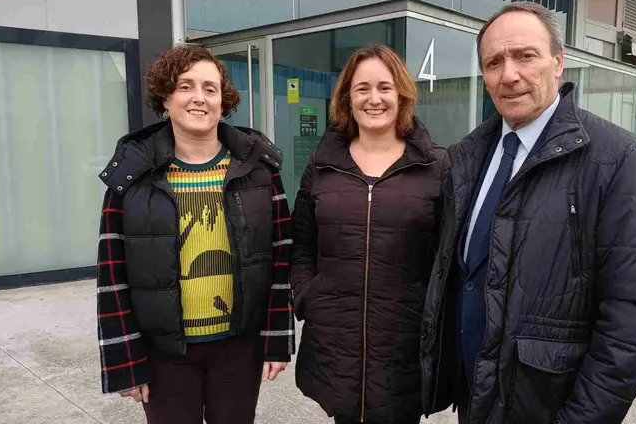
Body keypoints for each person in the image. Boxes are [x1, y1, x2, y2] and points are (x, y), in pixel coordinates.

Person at [420, 2, 636, 424]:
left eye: (525, 55)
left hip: (546, 406)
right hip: (474, 396)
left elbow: (631, 316)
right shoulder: (466, 157)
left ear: (558, 62)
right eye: (493, 62)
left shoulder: (618, 159)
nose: (509, 75)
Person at [95, 45, 294, 424]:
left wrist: (276, 341)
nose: (199, 98)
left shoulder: (259, 171)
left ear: (224, 101)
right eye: (185, 87)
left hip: (238, 349)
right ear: (165, 98)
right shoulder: (131, 176)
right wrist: (125, 361)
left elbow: (281, 260)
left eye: (210, 88)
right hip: (163, 354)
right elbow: (111, 274)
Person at [290, 44, 449, 424]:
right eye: (362, 88)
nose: (373, 98)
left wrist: (429, 316)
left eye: (384, 87)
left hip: (404, 343)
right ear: (347, 97)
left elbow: (447, 256)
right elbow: (301, 244)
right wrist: (309, 297)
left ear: (402, 95)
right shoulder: (324, 165)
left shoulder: (436, 167)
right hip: (336, 340)